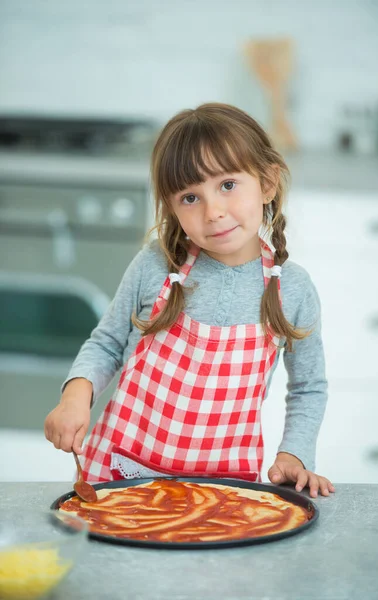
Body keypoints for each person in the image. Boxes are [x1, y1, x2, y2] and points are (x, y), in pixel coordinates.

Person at [44, 102, 334, 498]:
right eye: (190, 198)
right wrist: (75, 396)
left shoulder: (293, 289)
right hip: (122, 476)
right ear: (171, 207)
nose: (213, 212)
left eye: (228, 185)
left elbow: (308, 388)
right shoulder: (156, 265)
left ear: (267, 183)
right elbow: (108, 343)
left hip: (225, 490)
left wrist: (294, 456)